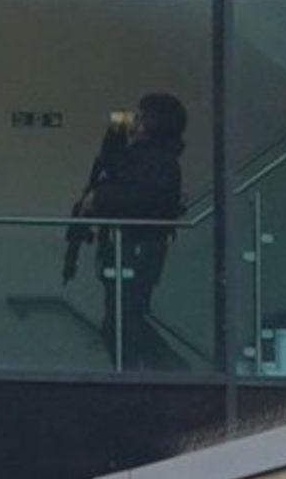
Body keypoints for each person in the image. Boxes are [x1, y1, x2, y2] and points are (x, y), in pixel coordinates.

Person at [63, 93, 188, 371]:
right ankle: (138, 370)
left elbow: (141, 199)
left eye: (141, 116)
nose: (136, 120)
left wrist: (100, 200)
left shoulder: (159, 160)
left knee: (124, 320)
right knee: (119, 320)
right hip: (123, 248)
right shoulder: (141, 156)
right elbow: (113, 166)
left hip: (137, 250)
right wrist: (116, 133)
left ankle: (160, 369)